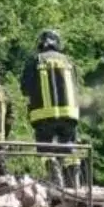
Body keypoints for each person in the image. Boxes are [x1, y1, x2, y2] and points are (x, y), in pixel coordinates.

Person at [21, 29, 83, 189]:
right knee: (70, 149)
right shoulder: (69, 61)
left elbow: (25, 88)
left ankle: (55, 181)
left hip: (43, 115)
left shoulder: (36, 60)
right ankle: (74, 186)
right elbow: (77, 85)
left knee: (46, 148)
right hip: (69, 114)